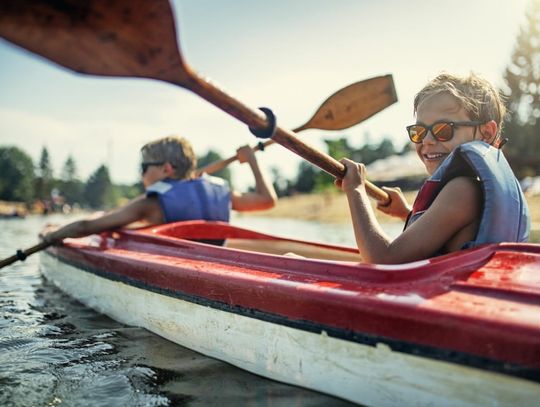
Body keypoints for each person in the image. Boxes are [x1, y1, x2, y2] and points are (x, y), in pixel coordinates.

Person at [336, 72, 530, 264]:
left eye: (443, 129)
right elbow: (450, 231)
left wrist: (355, 189)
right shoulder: (470, 190)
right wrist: (408, 213)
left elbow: (383, 258)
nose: (427, 141)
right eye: (419, 132)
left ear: (486, 132)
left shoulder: (462, 190)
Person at [41, 135, 277, 243]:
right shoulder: (221, 193)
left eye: (144, 167)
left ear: (166, 169)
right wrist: (253, 161)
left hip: (176, 270)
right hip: (217, 264)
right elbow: (267, 200)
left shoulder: (149, 204)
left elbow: (86, 226)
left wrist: (53, 235)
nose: (141, 173)